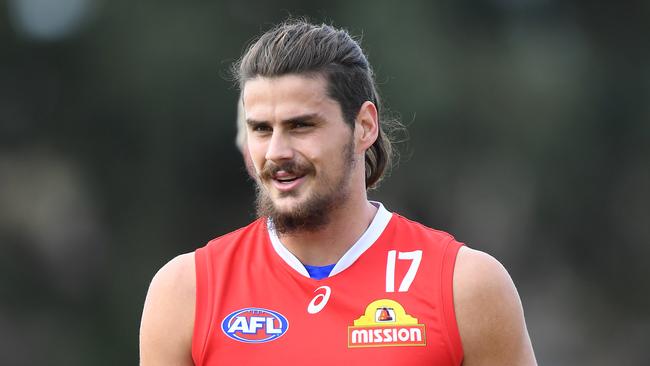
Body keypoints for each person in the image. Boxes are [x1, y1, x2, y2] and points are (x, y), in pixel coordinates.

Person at [139, 20, 537, 366]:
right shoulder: (186, 292)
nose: (277, 152)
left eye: (301, 126)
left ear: (364, 126)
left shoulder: (465, 286)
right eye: (261, 129)